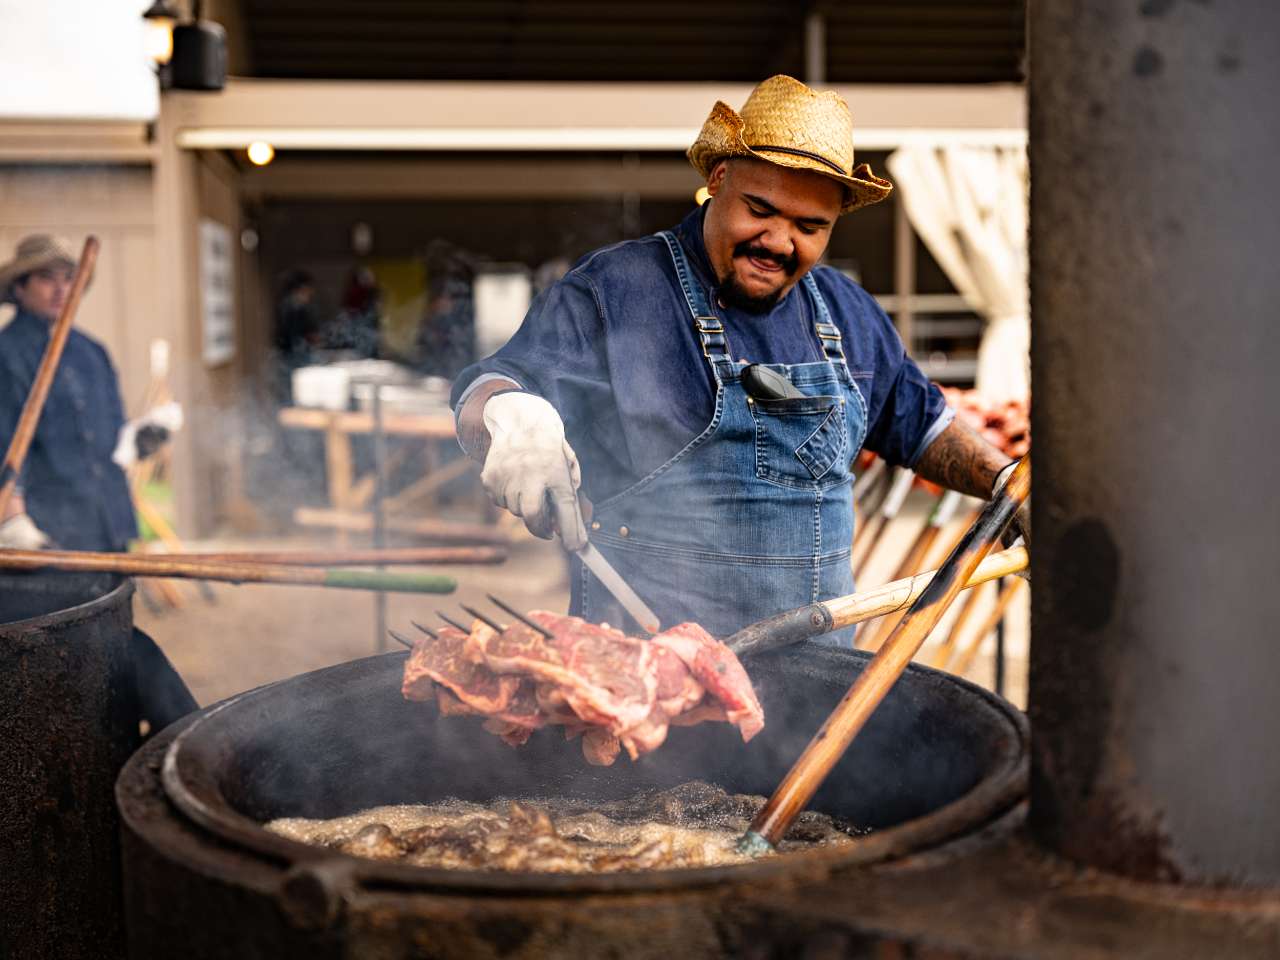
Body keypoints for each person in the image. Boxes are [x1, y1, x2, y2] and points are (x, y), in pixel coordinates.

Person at [451, 76, 1027, 639]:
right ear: (719, 178)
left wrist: (1005, 482)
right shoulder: (618, 289)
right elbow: (491, 386)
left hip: (816, 683)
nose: (778, 242)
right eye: (761, 209)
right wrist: (511, 418)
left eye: (809, 226)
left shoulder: (846, 311)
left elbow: (921, 424)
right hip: (647, 678)